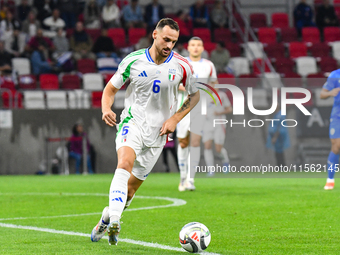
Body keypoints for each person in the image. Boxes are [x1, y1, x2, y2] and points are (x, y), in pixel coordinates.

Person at [90, 18, 199, 245]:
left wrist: (175, 118)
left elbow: (195, 95)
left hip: (158, 134)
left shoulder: (182, 66)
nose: (169, 45)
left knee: (129, 192)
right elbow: (110, 89)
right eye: (166, 39)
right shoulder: (133, 61)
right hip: (133, 123)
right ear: (155, 35)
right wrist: (106, 108)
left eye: (174, 41)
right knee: (124, 163)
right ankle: (116, 222)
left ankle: (106, 218)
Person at [177, 37, 218, 192]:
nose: (195, 48)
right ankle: (182, 177)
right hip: (183, 108)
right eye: (193, 45)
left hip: (200, 108)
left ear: (202, 48)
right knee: (183, 143)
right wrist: (191, 89)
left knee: (195, 142)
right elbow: (173, 82)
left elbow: (214, 83)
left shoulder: (209, 65)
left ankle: (190, 179)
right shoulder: (181, 63)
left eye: (199, 45)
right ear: (188, 47)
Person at [203, 84, 232, 176]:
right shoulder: (203, 95)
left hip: (219, 123)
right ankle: (211, 170)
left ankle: (226, 161)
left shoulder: (222, 95)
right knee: (207, 146)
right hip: (207, 123)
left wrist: (219, 112)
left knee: (218, 148)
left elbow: (229, 109)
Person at [320, 69, 340, 190]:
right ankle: (330, 179)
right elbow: (322, 94)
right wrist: (330, 93)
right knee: (336, 146)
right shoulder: (335, 75)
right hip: (338, 116)